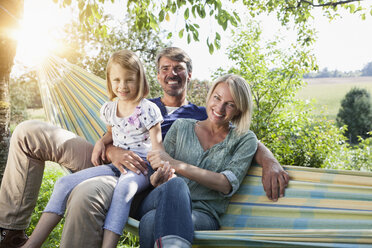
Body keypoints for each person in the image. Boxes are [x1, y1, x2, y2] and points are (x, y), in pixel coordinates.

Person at [0, 47, 289, 248]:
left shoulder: (201, 115)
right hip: (107, 158)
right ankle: (11, 233)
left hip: (139, 178)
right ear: (157, 75)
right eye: (165, 68)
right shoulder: (137, 101)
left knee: (86, 194)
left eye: (179, 69)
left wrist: (270, 160)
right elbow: (113, 128)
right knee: (29, 131)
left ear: (190, 76)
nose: (171, 74)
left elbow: (239, 135)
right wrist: (110, 148)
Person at [20, 50, 164, 248]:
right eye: (116, 80)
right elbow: (112, 134)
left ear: (140, 79)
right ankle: (30, 245)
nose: (122, 86)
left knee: (123, 189)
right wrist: (101, 142)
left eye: (129, 80)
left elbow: (158, 150)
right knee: (64, 182)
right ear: (109, 80)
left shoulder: (148, 109)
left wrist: (156, 175)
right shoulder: (110, 109)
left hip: (141, 168)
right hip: (117, 166)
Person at [139, 74, 256, 248]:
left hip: (204, 214)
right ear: (210, 96)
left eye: (230, 104)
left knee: (150, 221)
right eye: (217, 98)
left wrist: (175, 164)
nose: (220, 108)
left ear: (239, 109)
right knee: (176, 185)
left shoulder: (244, 139)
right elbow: (158, 178)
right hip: (162, 198)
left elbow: (225, 184)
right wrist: (156, 180)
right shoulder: (181, 127)